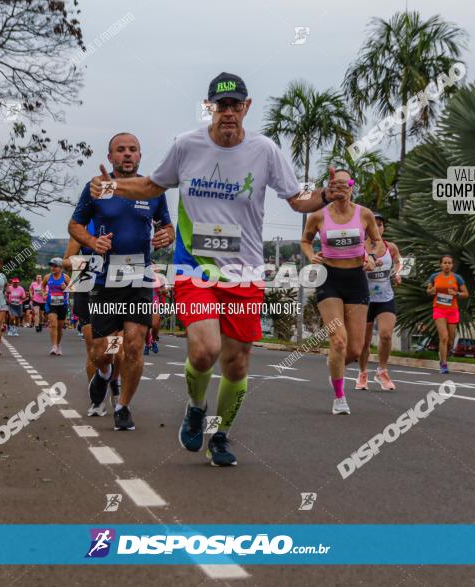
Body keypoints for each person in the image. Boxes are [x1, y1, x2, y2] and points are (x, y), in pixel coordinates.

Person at [89, 73, 351, 463]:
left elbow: (297, 200)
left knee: (236, 362)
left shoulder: (264, 150)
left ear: (246, 107)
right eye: (221, 105)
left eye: (235, 105)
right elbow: (153, 186)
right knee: (205, 350)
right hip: (195, 270)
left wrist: (325, 196)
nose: (228, 112)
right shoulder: (187, 145)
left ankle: (221, 435)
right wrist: (113, 188)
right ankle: (196, 408)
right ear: (210, 107)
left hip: (244, 273)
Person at [72, 131, 174, 430]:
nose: (127, 154)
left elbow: (166, 225)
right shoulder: (98, 188)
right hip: (104, 279)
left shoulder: (152, 190)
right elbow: (74, 224)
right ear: (110, 157)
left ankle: (123, 406)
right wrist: (92, 241)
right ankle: (103, 375)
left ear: (140, 156)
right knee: (102, 351)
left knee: (133, 344)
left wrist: (166, 234)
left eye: (133, 149)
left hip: (139, 276)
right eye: (121, 150)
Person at [301, 170, 381, 415]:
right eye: (334, 184)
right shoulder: (317, 215)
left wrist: (372, 258)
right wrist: (310, 255)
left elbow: (376, 242)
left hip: (356, 279)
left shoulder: (364, 214)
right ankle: (339, 397)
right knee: (338, 340)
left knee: (355, 350)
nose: (339, 188)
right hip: (329, 279)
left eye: (344, 184)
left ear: (351, 187)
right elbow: (305, 240)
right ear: (330, 187)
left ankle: (334, 365)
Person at [62, 238, 123, 408]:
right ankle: (96, 399)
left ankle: (114, 381)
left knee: (115, 348)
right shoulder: (82, 226)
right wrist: (88, 262)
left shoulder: (121, 223)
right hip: (87, 288)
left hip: (115, 289)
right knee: (93, 349)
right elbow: (66, 262)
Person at [356, 213, 402, 391]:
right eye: (372, 224)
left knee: (386, 335)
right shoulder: (360, 249)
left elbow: (398, 262)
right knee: (364, 342)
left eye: (380, 224)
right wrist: (364, 267)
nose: (377, 227)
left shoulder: (391, 247)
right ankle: (362, 373)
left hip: (385, 298)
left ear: (383, 228)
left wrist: (397, 273)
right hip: (364, 301)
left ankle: (382, 371)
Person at [427, 254, 469, 374]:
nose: (447, 265)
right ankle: (444, 364)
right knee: (444, 337)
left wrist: (456, 294)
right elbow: (428, 291)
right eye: (444, 263)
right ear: (440, 264)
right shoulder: (434, 277)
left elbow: (466, 293)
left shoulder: (457, 278)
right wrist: (431, 291)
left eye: (449, 263)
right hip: (439, 309)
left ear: (452, 265)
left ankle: (444, 356)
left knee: (450, 340)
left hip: (452, 310)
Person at [43, 258, 69, 356]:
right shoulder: (47, 277)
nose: (53, 268)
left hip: (62, 304)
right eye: (52, 266)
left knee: (59, 327)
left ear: (60, 267)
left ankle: (58, 345)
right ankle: (54, 346)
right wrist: (43, 293)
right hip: (51, 303)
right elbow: (42, 286)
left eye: (55, 266)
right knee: (53, 325)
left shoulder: (65, 277)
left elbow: (73, 289)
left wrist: (65, 288)